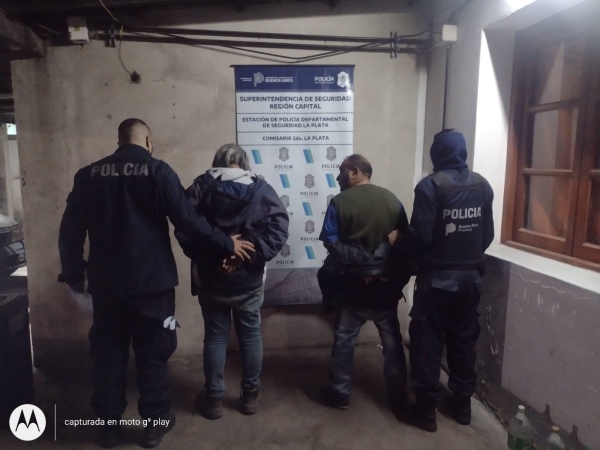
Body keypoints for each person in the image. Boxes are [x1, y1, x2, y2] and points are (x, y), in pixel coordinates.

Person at [58, 119, 254, 449]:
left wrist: (74, 272)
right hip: (153, 285)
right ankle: (153, 426)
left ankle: (108, 428)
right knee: (153, 354)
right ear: (148, 141)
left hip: (107, 285)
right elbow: (188, 221)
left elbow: (70, 230)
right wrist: (226, 243)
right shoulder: (158, 171)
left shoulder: (88, 175)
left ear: (120, 141)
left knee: (108, 354)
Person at [390, 129, 494, 432]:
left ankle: (425, 412)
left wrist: (398, 242)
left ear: (436, 154)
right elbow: (487, 235)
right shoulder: (483, 185)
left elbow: (421, 237)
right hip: (471, 280)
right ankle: (462, 407)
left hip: (437, 282)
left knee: (427, 342)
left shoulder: (430, 186)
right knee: (463, 340)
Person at [175, 144, 289, 420]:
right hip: (248, 281)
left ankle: (214, 399)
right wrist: (244, 259)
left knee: (215, 337)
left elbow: (184, 228)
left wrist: (214, 259)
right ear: (245, 163)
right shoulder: (262, 189)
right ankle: (250, 396)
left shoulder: (201, 188)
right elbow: (279, 229)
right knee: (250, 336)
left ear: (217, 161)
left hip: (211, 279)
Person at [318, 154, 411, 413]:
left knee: (344, 340)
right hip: (386, 287)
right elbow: (404, 240)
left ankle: (339, 393)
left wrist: (361, 265)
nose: (338, 177)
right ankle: (398, 396)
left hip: (353, 287)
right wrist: (380, 267)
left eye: (341, 171)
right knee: (392, 343)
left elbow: (330, 241)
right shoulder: (392, 200)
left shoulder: (338, 202)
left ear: (354, 172)